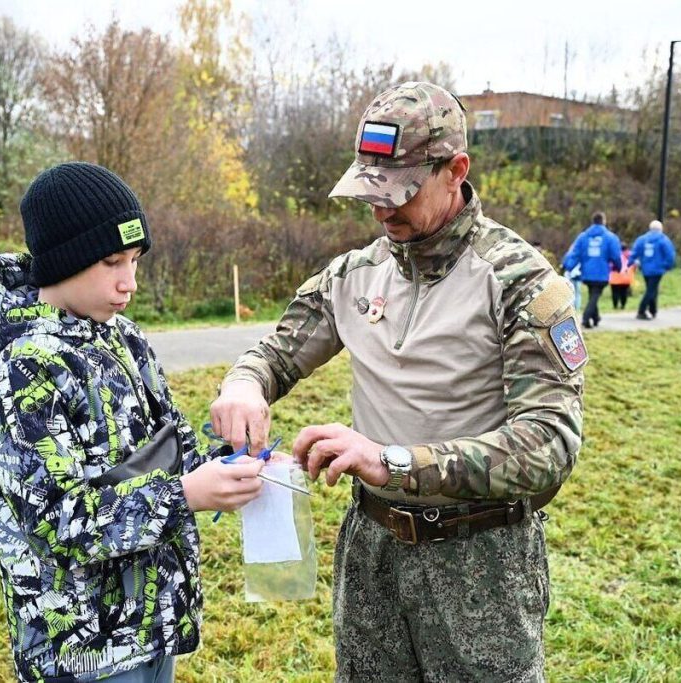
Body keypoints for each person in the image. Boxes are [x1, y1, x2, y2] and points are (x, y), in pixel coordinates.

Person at [210, 82, 585, 682]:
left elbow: (549, 444)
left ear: (455, 171)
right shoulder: (355, 275)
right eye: (371, 194)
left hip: (480, 562)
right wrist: (244, 385)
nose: (383, 212)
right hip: (373, 551)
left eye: (401, 193)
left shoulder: (520, 283)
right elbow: (275, 353)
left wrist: (395, 462)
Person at [0, 163, 264, 682]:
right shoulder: (24, 370)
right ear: (63, 261)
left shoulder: (126, 338)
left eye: (135, 260)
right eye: (111, 262)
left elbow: (173, 448)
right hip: (81, 650)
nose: (130, 282)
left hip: (150, 625)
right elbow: (57, 522)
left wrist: (234, 463)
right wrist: (186, 496)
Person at [562, 211, 622, 329]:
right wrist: (618, 267)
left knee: (593, 294)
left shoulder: (583, 237)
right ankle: (586, 318)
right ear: (604, 221)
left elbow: (575, 253)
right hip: (601, 273)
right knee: (595, 295)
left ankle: (595, 317)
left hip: (587, 273)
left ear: (592, 222)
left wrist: (568, 266)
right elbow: (615, 255)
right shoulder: (610, 237)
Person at [629, 219, 676, 320]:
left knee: (652, 288)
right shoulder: (663, 240)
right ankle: (641, 311)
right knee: (651, 290)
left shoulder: (642, 239)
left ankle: (653, 310)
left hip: (645, 268)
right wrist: (667, 266)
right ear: (661, 229)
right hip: (657, 269)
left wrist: (632, 262)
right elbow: (670, 255)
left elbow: (634, 252)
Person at [609, 241, 635, 310]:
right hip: (626, 276)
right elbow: (633, 264)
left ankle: (615, 306)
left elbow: (610, 264)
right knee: (624, 292)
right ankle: (623, 306)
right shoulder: (629, 254)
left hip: (615, 275)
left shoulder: (614, 254)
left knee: (615, 291)